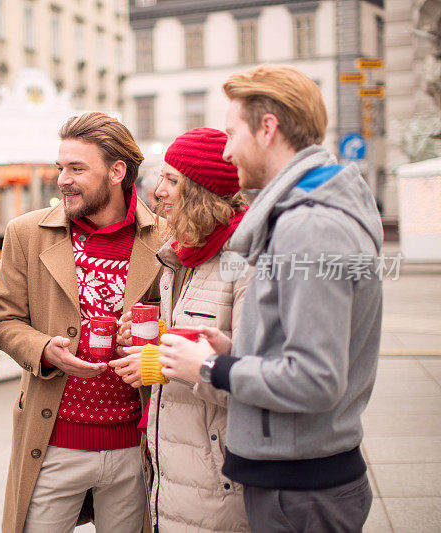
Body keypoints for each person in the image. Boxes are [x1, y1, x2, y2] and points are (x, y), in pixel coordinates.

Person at [158, 64, 382, 532]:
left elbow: (317, 379)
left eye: (231, 132)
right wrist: (236, 354)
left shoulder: (309, 224)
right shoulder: (307, 210)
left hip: (300, 488)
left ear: (267, 128)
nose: (226, 149)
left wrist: (210, 367)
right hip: (301, 476)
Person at [0, 111, 164, 532]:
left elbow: (182, 323)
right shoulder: (26, 233)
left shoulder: (166, 240)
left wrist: (153, 338)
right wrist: (43, 350)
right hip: (53, 443)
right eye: (59, 167)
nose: (62, 179)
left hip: (134, 446)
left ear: (117, 172)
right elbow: (5, 320)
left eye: (77, 168)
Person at [111, 127, 251, 531]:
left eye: (173, 180)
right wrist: (154, 336)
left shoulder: (242, 262)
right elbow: (200, 338)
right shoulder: (183, 256)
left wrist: (162, 360)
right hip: (176, 470)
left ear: (203, 191)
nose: (158, 191)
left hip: (219, 480)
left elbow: (255, 377)